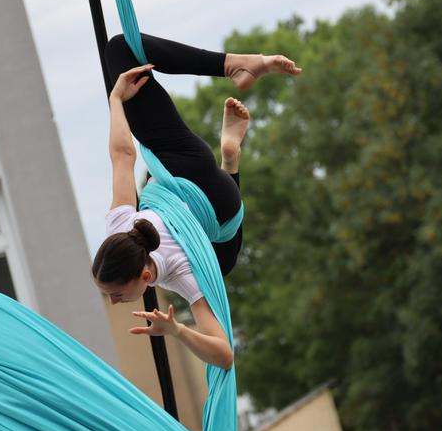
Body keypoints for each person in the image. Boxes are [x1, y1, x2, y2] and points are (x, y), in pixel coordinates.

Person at [91, 34, 302, 370]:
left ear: (146, 277)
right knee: (119, 49)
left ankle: (231, 163)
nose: (115, 302)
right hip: (185, 167)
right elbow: (123, 155)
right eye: (114, 295)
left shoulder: (181, 273)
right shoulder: (118, 226)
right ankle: (233, 66)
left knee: (221, 267)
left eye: (114, 293)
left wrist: (177, 331)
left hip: (218, 199)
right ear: (145, 275)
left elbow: (224, 355)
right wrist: (116, 99)